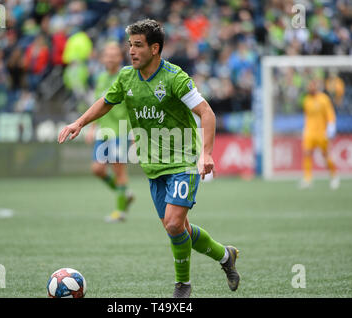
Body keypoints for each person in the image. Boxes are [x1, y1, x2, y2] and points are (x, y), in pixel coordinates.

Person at [58, 19, 240, 298]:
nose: (131, 51)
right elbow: (106, 101)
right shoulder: (126, 77)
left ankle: (183, 286)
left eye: (138, 45)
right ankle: (225, 256)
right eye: (130, 45)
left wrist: (205, 153)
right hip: (153, 167)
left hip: (183, 160)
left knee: (173, 224)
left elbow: (207, 112)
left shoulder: (175, 77)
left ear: (155, 48)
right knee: (179, 230)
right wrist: (79, 123)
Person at [84, 42, 134, 223]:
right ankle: (125, 193)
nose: (111, 57)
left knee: (119, 171)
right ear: (103, 58)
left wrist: (135, 131)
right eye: (108, 54)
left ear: (120, 58)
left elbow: (132, 105)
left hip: (120, 130)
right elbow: (98, 105)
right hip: (103, 131)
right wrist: (92, 128)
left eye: (114, 54)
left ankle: (120, 212)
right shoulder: (101, 78)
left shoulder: (126, 76)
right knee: (97, 169)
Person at [300, 78, 339, 190]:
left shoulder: (324, 99)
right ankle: (308, 179)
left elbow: (330, 114)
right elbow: (307, 116)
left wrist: (331, 127)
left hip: (321, 132)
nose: (310, 88)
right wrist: (305, 128)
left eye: (312, 85)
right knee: (307, 153)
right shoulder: (306, 100)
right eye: (308, 86)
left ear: (316, 86)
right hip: (310, 132)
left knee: (325, 155)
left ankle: (334, 175)